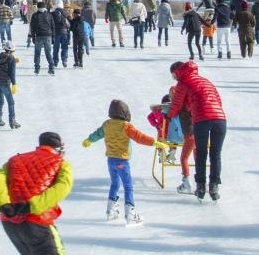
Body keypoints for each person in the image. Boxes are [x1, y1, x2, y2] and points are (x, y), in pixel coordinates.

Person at [83, 99, 155, 226]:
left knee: (115, 184)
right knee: (128, 186)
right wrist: (153, 142)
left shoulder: (107, 124)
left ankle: (111, 211)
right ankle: (130, 214)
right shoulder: (126, 126)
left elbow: (98, 134)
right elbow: (139, 137)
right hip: (122, 161)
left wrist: (89, 139)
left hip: (110, 160)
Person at [165, 60, 226, 201]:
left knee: (201, 153)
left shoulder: (183, 82)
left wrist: (168, 116)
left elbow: (176, 105)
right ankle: (214, 186)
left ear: (177, 72)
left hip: (202, 119)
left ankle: (200, 187)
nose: (174, 78)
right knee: (216, 154)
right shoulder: (206, 81)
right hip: (220, 119)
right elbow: (218, 100)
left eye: (174, 75)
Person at [0, 43, 19, 128]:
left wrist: (14, 61)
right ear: (11, 51)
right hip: (4, 82)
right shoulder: (11, 58)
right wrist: (14, 84)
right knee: (11, 102)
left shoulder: (0, 55)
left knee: (1, 101)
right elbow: (12, 72)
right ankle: (12, 121)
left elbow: (4, 64)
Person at [27, 2, 54, 75]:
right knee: (48, 53)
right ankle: (51, 68)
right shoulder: (49, 15)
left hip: (39, 36)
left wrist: (33, 37)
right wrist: (53, 37)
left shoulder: (35, 15)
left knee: (37, 53)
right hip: (48, 36)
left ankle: (37, 68)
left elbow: (32, 27)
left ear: (38, 7)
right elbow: (53, 27)